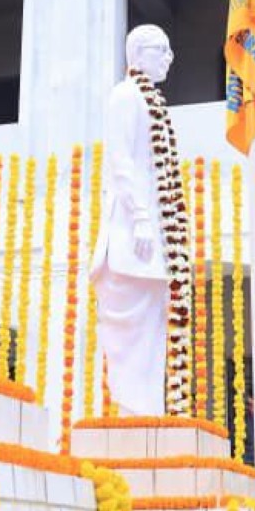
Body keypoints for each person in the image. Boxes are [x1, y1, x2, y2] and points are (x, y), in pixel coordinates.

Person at [89, 26, 189, 416]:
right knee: (128, 327)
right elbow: (121, 161)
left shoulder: (154, 105)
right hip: (131, 232)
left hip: (154, 237)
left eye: (169, 50)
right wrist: (143, 219)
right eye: (161, 50)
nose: (170, 58)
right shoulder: (125, 95)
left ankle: (147, 409)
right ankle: (133, 408)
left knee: (152, 324)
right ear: (137, 55)